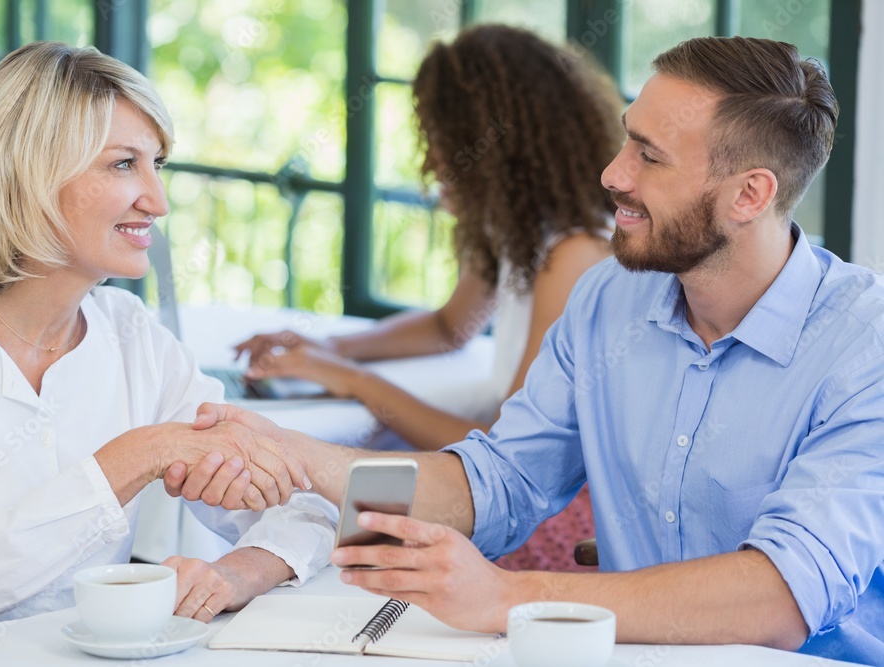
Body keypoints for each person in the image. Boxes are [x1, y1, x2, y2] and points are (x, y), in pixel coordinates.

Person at [171, 36, 883, 664]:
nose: (613, 173)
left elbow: (782, 598)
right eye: (626, 138)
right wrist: (299, 457)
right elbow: (501, 482)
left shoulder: (863, 344)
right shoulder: (610, 297)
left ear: (749, 195)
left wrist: (508, 594)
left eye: (649, 156)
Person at [0, 41, 336, 638]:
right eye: (124, 164)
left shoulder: (131, 337)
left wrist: (243, 571)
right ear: (30, 171)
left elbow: (308, 504)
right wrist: (141, 454)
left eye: (158, 164)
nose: (159, 201)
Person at [236, 24, 623, 572]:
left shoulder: (577, 253)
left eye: (438, 141)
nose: (430, 165)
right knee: (337, 510)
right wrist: (328, 349)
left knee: (353, 524)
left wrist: (355, 381)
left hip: (551, 508)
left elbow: (507, 448)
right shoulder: (523, 227)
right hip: (510, 482)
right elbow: (450, 327)